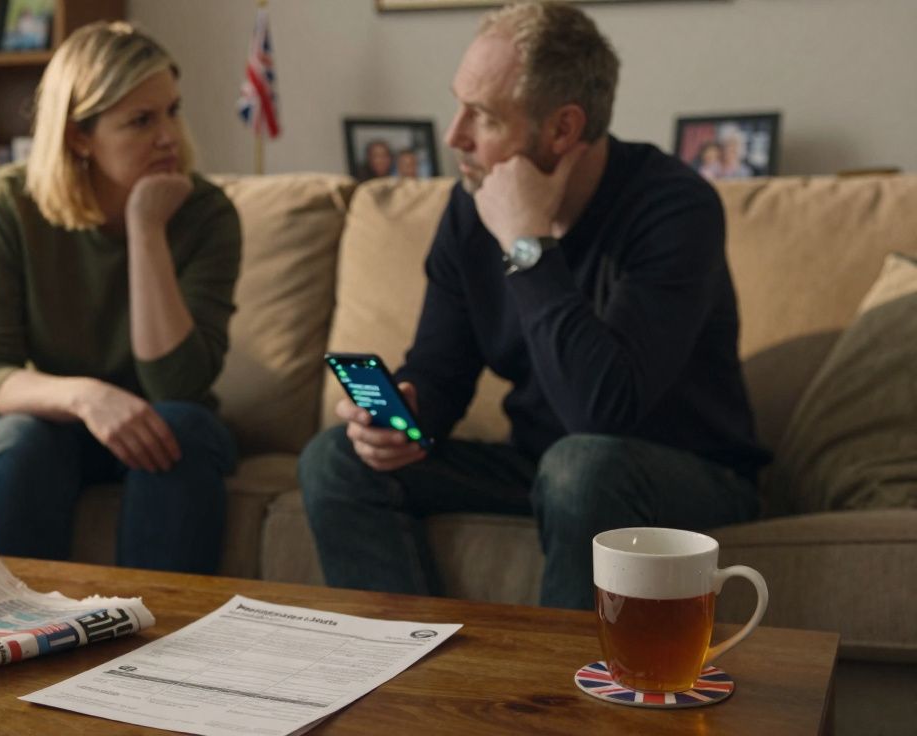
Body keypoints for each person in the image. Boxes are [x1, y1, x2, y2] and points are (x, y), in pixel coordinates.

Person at [299, 1, 769, 610]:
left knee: (583, 466)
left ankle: (560, 701)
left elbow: (602, 412)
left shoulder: (676, 209)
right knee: (335, 458)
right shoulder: (471, 207)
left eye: (484, 117)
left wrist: (528, 245)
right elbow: (440, 371)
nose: (454, 135)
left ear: (563, 129)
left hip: (683, 474)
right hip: (543, 467)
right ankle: (409, 678)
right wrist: (406, 415)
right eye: (458, 104)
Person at [0, 22, 241, 574]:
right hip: (57, 420)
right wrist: (86, 397)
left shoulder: (206, 214)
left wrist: (147, 228)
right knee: (19, 442)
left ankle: (162, 646)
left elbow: (176, 383)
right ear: (79, 136)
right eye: (141, 120)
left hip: (163, 425)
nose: (169, 137)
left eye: (172, 111)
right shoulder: (8, 204)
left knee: (179, 425)